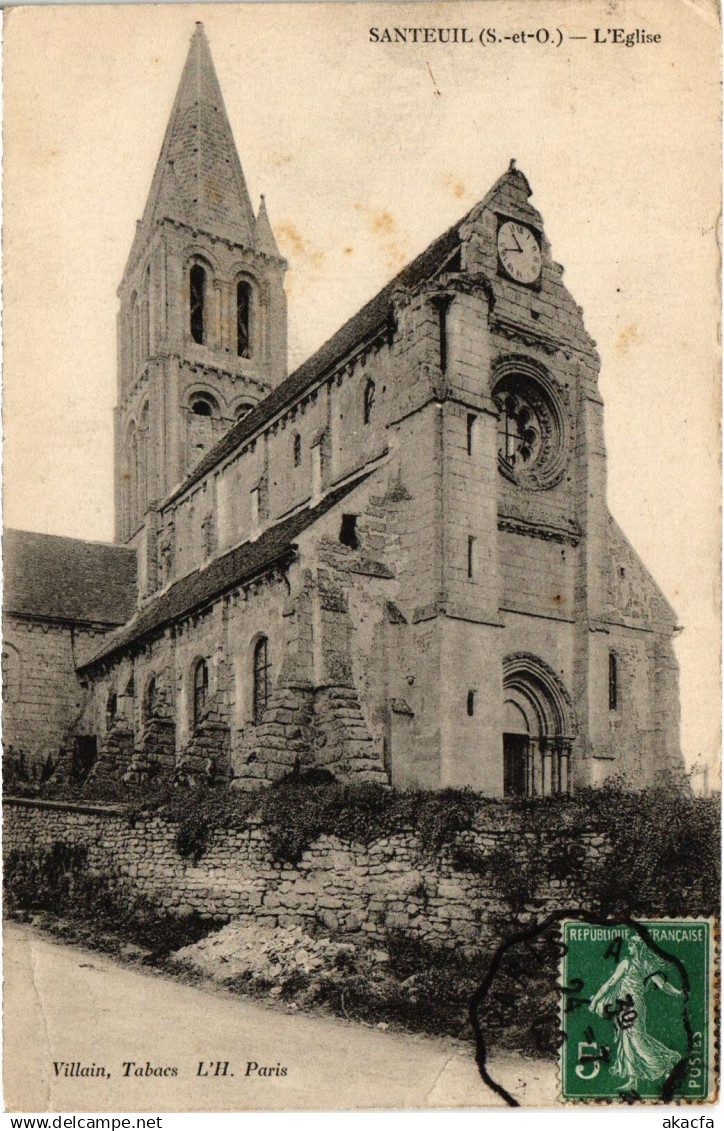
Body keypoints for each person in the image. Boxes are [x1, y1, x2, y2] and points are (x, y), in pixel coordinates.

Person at [589, 934, 683, 1092]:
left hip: (633, 1006)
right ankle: (633, 1080)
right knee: (627, 1041)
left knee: (636, 1039)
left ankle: (665, 1065)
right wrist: (678, 993)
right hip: (625, 1006)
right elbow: (611, 984)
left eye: (632, 945)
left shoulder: (632, 964)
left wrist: (679, 993)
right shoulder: (641, 964)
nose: (629, 948)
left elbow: (662, 985)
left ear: (639, 947)